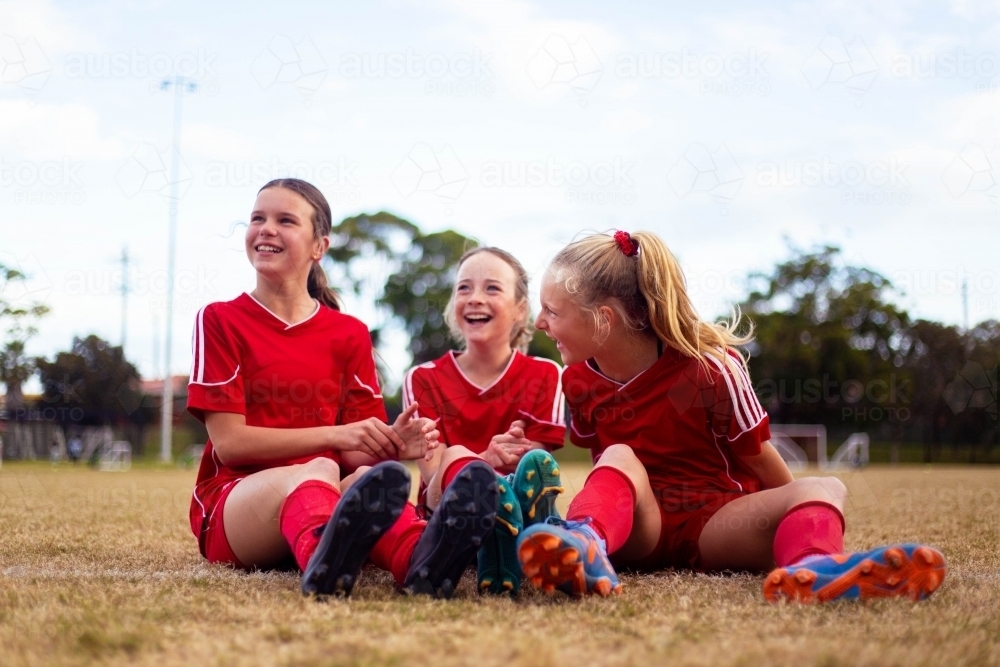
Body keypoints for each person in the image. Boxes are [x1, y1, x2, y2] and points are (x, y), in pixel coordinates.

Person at [517, 230, 947, 603]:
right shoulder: (574, 379)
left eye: (552, 312)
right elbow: (603, 468)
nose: (539, 322)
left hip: (717, 526)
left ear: (604, 320)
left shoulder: (711, 369)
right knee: (619, 456)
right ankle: (585, 542)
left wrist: (799, 516)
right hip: (637, 532)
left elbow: (759, 456)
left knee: (823, 485)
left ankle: (814, 568)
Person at [187, 178, 498, 599]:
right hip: (237, 509)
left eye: (285, 220)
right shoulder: (220, 320)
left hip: (325, 498)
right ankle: (324, 559)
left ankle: (418, 561)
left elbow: (355, 451)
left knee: (371, 475)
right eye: (257, 218)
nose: (266, 229)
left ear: (319, 246)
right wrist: (334, 438)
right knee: (323, 467)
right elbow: (230, 445)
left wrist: (392, 445)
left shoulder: (348, 333)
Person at [402, 247, 566, 594]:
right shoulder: (422, 378)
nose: (475, 298)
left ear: (520, 309)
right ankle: (521, 538)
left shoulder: (546, 374)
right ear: (453, 305)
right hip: (443, 511)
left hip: (516, 498)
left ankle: (515, 534)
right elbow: (433, 476)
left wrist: (497, 465)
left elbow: (532, 465)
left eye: (492, 288)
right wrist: (482, 463)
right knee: (453, 456)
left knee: (534, 466)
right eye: (464, 288)